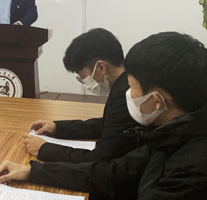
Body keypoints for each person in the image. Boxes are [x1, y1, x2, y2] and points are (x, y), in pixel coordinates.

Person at [0, 32, 207, 200]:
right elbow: (113, 174)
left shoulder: (200, 169)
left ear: (156, 101)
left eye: (132, 87)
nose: (127, 94)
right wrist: (34, 172)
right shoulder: (179, 129)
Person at [23, 28, 143, 163]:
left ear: (101, 67)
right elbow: (108, 124)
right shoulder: (124, 84)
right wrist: (58, 127)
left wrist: (44, 149)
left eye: (82, 76)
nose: (83, 81)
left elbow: (100, 159)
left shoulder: (126, 96)